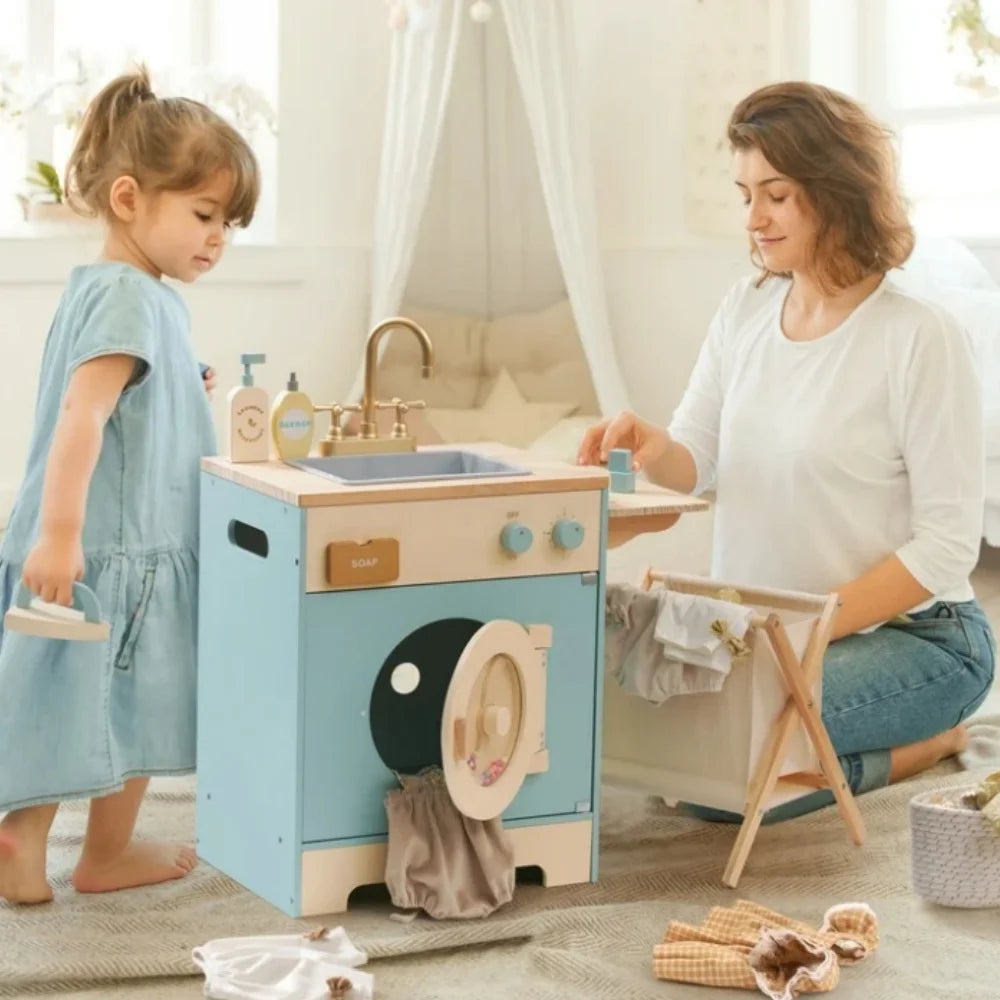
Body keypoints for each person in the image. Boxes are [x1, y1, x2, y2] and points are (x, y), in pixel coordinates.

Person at [580, 81, 996, 820]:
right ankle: (834, 747)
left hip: (918, 640)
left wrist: (801, 633)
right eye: (745, 194)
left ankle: (921, 745)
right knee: (664, 744)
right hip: (765, 634)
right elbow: (696, 462)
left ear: (834, 192)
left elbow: (946, 547)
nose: (754, 219)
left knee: (721, 771)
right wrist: (650, 445)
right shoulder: (744, 309)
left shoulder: (919, 338)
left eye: (775, 194)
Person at [0, 66, 259, 903]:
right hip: (114, 548)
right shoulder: (132, 299)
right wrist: (61, 534)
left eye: (230, 224)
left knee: (65, 692)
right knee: (131, 698)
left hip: (112, 542)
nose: (218, 238)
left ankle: (38, 839)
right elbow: (82, 414)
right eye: (205, 215)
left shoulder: (124, 291)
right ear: (127, 199)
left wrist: (188, 382)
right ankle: (90, 850)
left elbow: (121, 399)